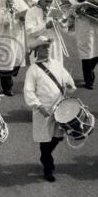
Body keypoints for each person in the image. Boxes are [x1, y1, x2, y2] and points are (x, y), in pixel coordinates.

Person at [23, 35, 77, 181]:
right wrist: (38, 106)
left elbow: (67, 80)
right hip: (43, 110)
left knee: (58, 137)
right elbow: (28, 91)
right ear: (37, 50)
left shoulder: (57, 64)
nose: (46, 49)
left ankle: (44, 156)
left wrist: (70, 85)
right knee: (45, 139)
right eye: (43, 47)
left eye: (47, 46)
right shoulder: (33, 70)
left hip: (59, 107)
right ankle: (48, 168)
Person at [0, 0, 28, 97]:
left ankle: (10, 75)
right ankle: (7, 88)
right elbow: (2, 21)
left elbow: (27, 13)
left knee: (17, 60)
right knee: (6, 61)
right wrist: (9, 9)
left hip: (17, 34)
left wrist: (24, 17)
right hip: (5, 35)